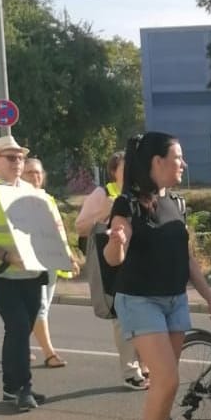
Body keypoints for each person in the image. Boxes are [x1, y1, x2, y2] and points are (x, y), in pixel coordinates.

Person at [104, 132, 211, 420]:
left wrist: (210, 297)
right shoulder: (127, 204)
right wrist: (116, 243)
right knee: (168, 380)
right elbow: (113, 259)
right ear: (157, 162)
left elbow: (186, 258)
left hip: (174, 299)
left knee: (165, 384)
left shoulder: (176, 203)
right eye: (178, 158)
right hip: (141, 300)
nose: (183, 165)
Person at [0, 135, 50, 411]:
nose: (17, 162)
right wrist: (6, 256)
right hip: (0, 273)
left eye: (20, 157)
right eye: (10, 157)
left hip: (31, 273)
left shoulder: (29, 189)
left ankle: (12, 388)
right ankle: (22, 388)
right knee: (17, 326)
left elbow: (44, 229)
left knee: (22, 329)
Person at [75, 151, 148, 390]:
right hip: (113, 262)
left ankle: (145, 365)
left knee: (145, 315)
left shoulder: (142, 192)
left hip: (139, 261)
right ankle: (130, 371)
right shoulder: (103, 193)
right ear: (114, 171)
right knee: (122, 317)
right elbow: (81, 227)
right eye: (125, 168)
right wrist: (104, 213)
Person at [21, 158, 79, 369]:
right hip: (32, 260)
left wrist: (68, 255)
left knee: (40, 306)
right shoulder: (18, 199)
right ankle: (49, 353)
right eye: (29, 173)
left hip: (51, 260)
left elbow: (58, 229)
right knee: (40, 307)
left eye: (38, 172)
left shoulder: (47, 198)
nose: (35, 177)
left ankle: (20, 345)